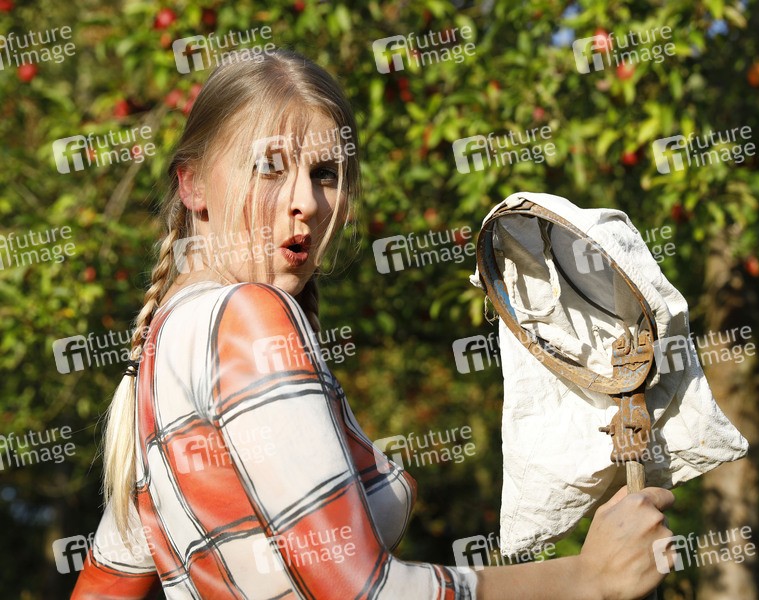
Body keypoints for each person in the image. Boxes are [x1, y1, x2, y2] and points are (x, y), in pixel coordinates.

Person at [72, 49, 676, 600]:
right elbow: (363, 593)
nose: (307, 201)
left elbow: (101, 591)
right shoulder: (246, 319)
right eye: (269, 167)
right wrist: (586, 577)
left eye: (325, 173)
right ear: (193, 183)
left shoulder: (159, 355)